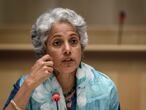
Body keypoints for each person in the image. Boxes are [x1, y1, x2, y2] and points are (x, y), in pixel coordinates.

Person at [3, 8, 120, 110]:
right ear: (44, 49)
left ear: (81, 46)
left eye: (73, 41)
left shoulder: (105, 87)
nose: (67, 50)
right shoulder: (26, 85)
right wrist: (29, 85)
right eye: (57, 43)